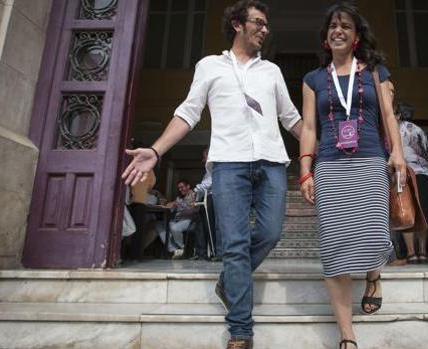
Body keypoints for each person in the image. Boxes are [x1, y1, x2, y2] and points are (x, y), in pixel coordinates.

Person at [122, 1, 302, 347]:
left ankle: (229, 282)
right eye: (258, 23)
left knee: (270, 231)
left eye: (267, 24)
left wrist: (319, 146)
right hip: (229, 163)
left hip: (271, 161)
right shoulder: (209, 66)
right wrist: (157, 150)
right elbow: (188, 113)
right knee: (234, 244)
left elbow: (291, 119)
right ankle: (240, 330)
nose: (265, 29)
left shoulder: (272, 72)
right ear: (237, 24)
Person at [298, 3, 406, 348]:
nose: (337, 30)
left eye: (345, 25)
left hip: (371, 159)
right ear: (326, 38)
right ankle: (347, 335)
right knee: (333, 245)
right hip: (330, 165)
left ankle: (374, 273)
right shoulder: (314, 79)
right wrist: (305, 170)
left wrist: (398, 152)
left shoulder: (376, 72)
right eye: (332, 25)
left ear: (356, 37)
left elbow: (388, 116)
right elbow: (310, 127)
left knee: (375, 233)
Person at [393, 102, 428, 264]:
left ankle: (411, 253)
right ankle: (423, 252)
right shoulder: (419, 130)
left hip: (403, 174)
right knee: (422, 214)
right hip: (423, 174)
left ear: (398, 115)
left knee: (405, 212)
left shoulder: (395, 129)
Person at [161, 179, 198, 259]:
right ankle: (174, 249)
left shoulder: (194, 195)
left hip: (188, 219)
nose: (180, 189)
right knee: (160, 227)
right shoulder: (179, 197)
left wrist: (182, 212)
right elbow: (171, 206)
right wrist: (167, 204)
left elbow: (196, 210)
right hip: (176, 220)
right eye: (179, 188)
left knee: (174, 228)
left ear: (188, 186)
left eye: (182, 187)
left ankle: (183, 248)